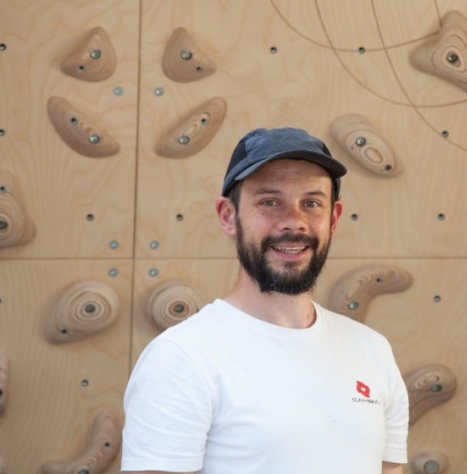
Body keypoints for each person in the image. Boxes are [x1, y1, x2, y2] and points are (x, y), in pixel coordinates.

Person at [121, 127, 409, 474]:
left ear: (333, 219)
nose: (293, 221)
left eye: (312, 203)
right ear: (229, 216)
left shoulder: (372, 351)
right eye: (269, 202)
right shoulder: (182, 359)